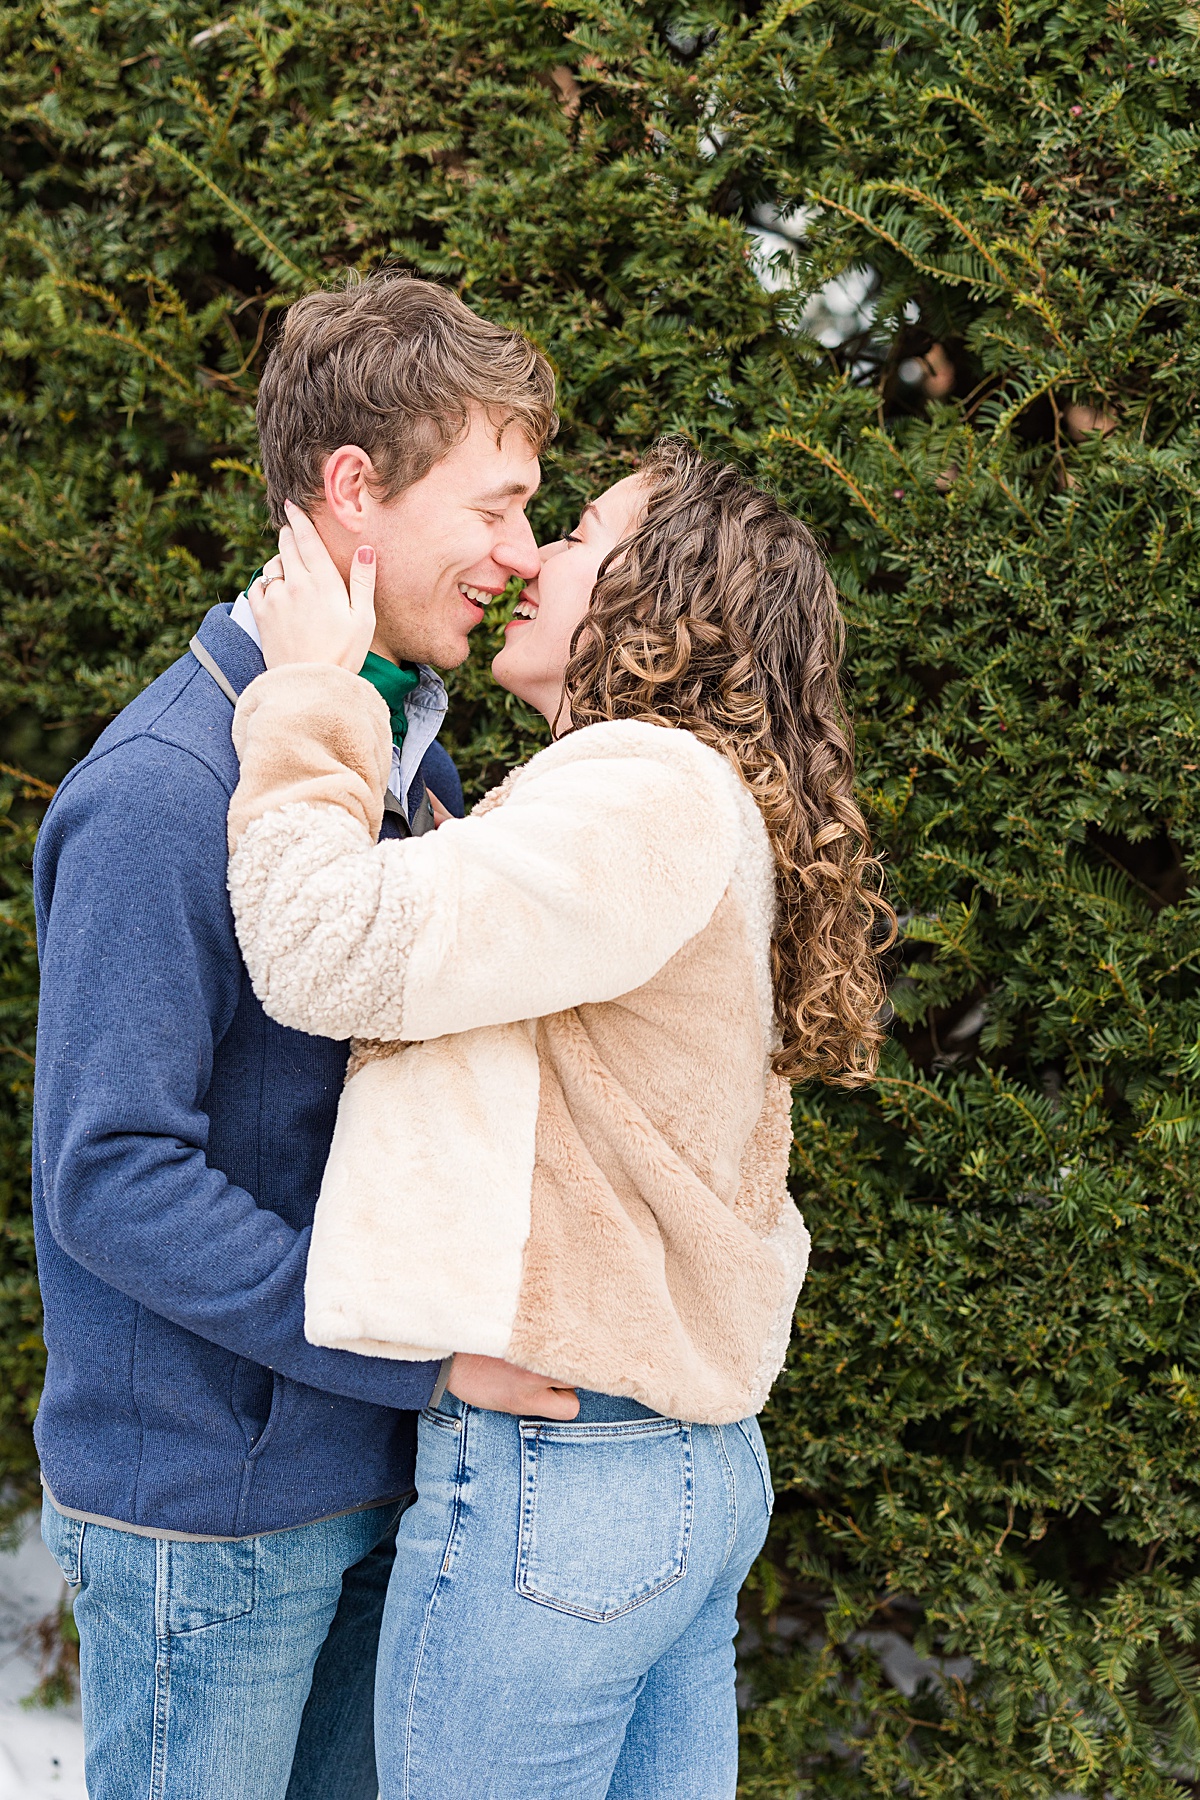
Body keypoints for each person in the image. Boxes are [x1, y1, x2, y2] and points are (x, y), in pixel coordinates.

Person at [228, 435, 896, 1797]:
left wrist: (309, 696)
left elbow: (320, 949)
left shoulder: (636, 790)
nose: (532, 559)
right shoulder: (665, 798)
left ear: (668, 598)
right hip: (658, 1470)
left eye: (579, 532)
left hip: (571, 1480)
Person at [32, 272, 567, 1800]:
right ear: (355, 493)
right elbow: (113, 1174)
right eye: (498, 506)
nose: (521, 559)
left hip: (372, 1476)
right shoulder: (157, 792)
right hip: (209, 1523)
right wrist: (414, 1353)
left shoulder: (404, 755)